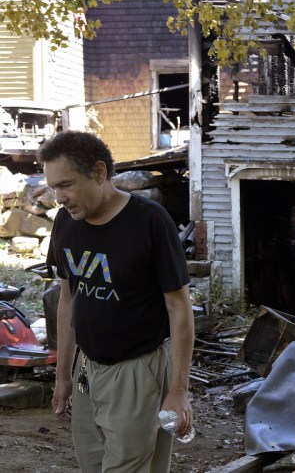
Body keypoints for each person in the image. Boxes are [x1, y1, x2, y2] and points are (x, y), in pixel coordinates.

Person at [40, 130, 194, 472]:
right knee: (92, 464)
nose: (58, 197)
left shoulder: (150, 222)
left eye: (66, 184)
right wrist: (62, 375)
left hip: (137, 371)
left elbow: (179, 308)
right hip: (87, 367)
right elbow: (68, 299)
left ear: (98, 173)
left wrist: (179, 390)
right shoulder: (66, 222)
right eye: (53, 187)